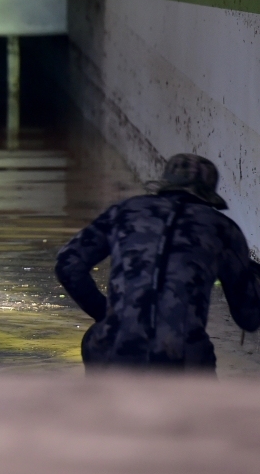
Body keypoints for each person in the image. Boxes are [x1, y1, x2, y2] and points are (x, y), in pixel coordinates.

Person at [55, 153, 260, 371]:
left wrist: (106, 314)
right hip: (181, 360)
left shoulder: (125, 211)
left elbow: (68, 263)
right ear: (208, 193)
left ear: (166, 184)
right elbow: (248, 318)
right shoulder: (223, 229)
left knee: (96, 337)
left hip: (115, 350)